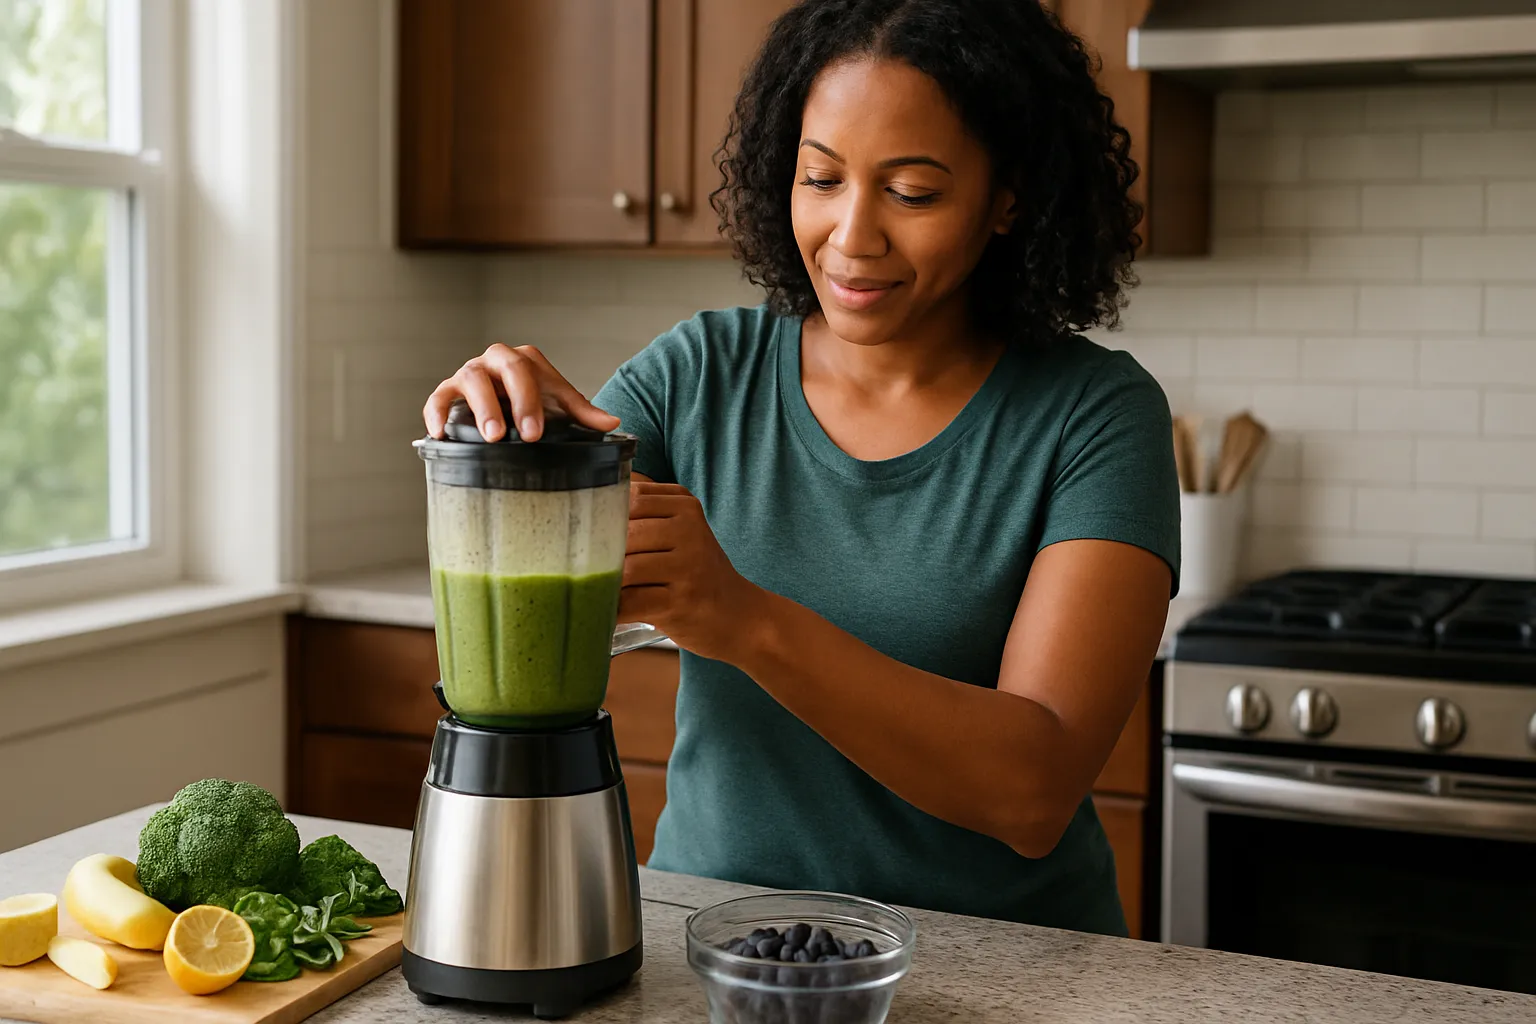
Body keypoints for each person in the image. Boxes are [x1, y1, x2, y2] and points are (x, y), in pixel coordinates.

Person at [423, 0, 1178, 936]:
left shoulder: (1095, 416)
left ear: (1008, 198)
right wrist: (500, 441)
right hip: (712, 939)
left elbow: (1032, 791)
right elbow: (530, 566)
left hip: (997, 964)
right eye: (821, 178)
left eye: (912, 192)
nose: (853, 236)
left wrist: (739, 618)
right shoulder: (699, 374)